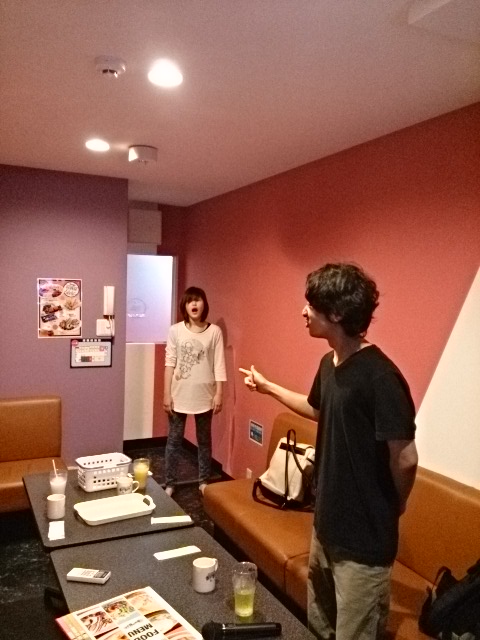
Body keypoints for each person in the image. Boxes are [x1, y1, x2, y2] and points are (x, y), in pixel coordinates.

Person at [239, 263, 418, 640]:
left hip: (364, 541)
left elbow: (405, 458)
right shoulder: (329, 363)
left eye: (311, 305)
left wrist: (394, 505)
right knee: (319, 625)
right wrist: (268, 387)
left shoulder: (381, 377)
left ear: (336, 313)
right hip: (325, 525)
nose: (303, 312)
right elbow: (317, 408)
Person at [164, 286, 226, 497]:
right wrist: (166, 394)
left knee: (204, 440)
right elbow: (169, 364)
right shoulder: (175, 330)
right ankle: (170, 483)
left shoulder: (214, 332)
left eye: (198, 300)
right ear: (184, 305)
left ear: (204, 304)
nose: (194, 304)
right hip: (178, 393)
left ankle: (203, 480)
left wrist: (219, 393)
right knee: (174, 441)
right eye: (190, 300)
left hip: (205, 394)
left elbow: (219, 364)